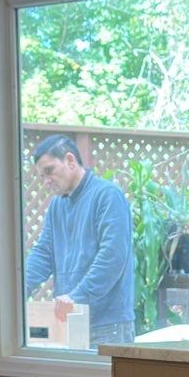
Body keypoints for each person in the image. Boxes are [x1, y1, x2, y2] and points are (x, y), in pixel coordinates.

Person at [22, 134, 134, 350]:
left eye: (49, 171)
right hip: (70, 322)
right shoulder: (57, 206)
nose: (46, 181)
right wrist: (17, 291)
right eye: (41, 176)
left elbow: (113, 257)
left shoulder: (107, 196)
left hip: (108, 327)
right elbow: (44, 254)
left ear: (70, 160)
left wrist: (77, 296)